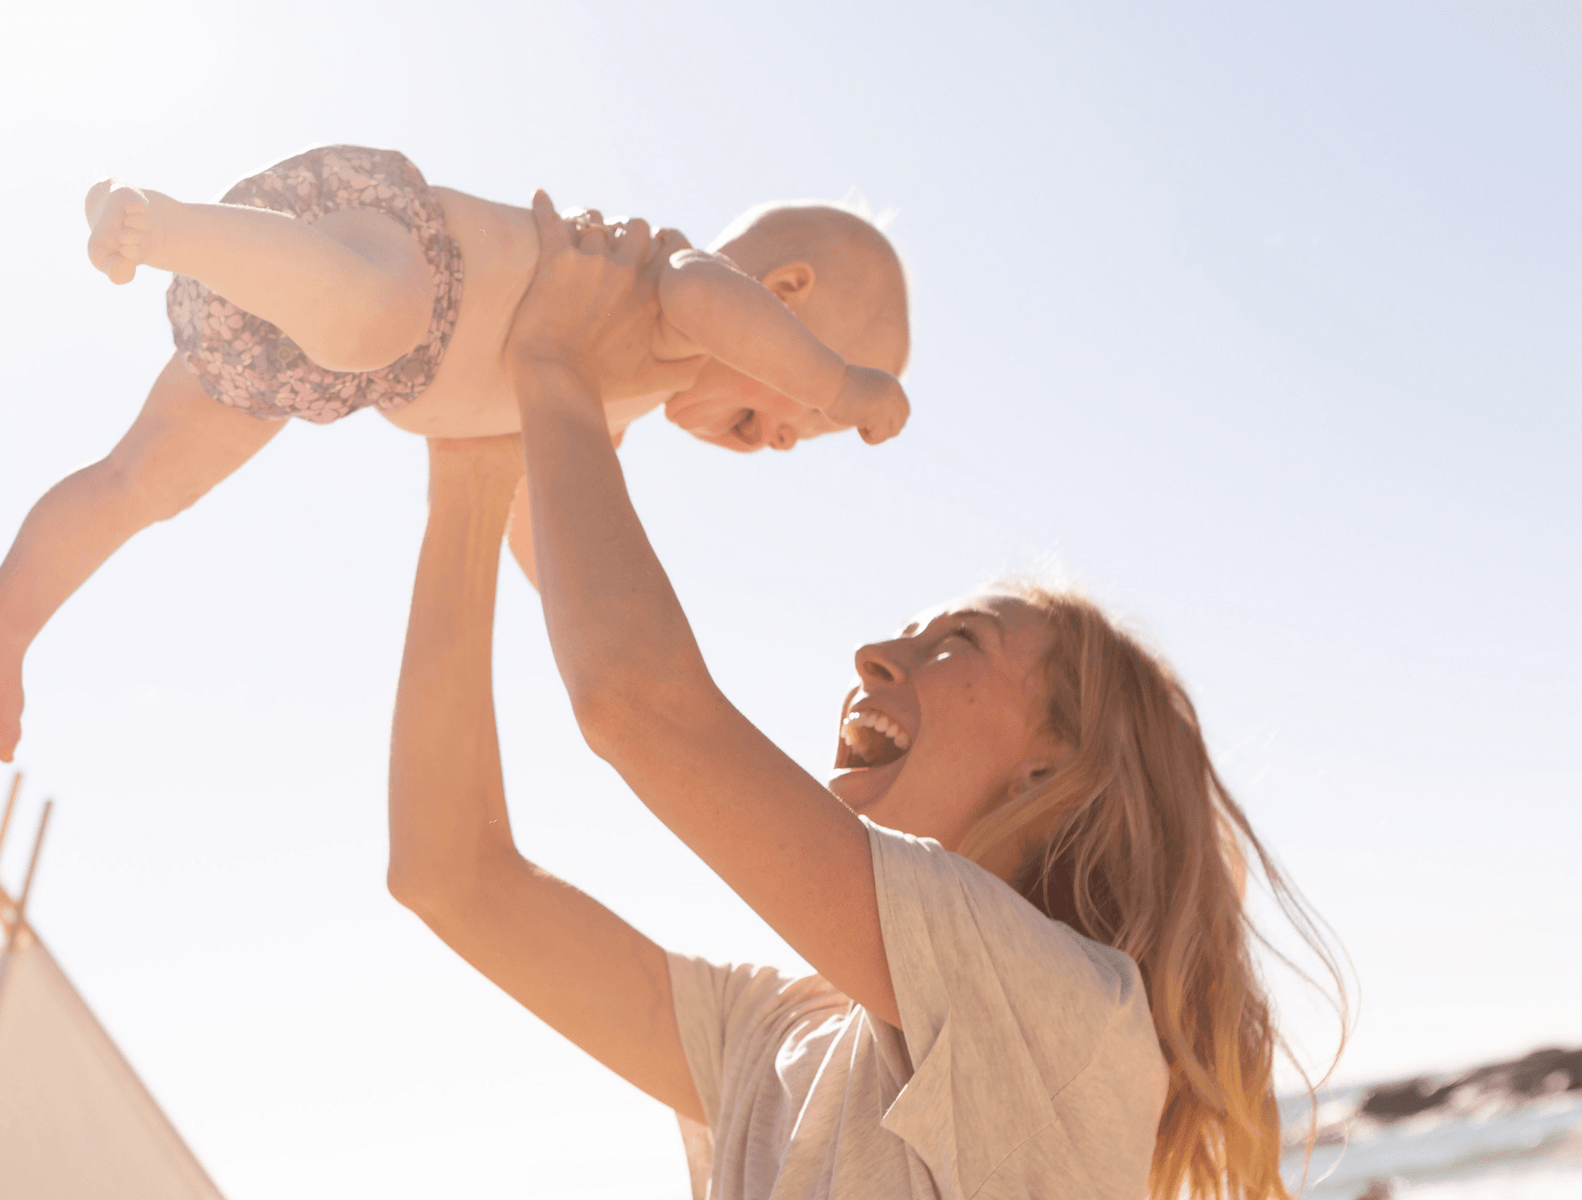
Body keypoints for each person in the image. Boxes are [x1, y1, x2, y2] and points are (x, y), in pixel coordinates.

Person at [386, 193, 1345, 1198]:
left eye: (955, 644)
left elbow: (639, 704)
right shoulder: (779, 1041)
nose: (872, 656)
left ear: (1053, 760)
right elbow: (448, 873)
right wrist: (472, 465)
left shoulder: (1068, 1015)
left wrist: (552, 364)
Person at [0, 145, 911, 762]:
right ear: (779, 294)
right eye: (791, 414)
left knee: (142, 481)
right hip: (372, 243)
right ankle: (161, 222)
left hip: (311, 351)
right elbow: (714, 301)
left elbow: (540, 530)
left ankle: (0, 620)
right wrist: (841, 384)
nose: (787, 437)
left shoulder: (600, 405)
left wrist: (583, 614)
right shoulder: (668, 286)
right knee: (374, 319)